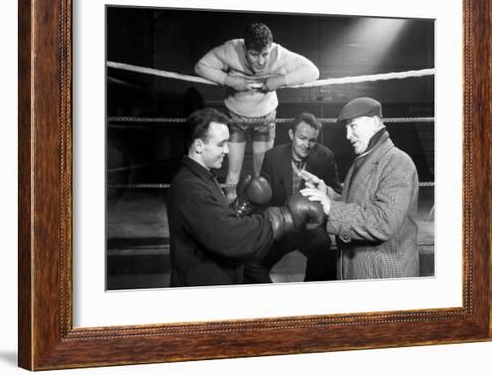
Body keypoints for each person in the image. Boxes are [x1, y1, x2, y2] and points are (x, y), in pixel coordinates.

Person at [166, 108, 325, 287]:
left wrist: (243, 203)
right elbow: (231, 237)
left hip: (216, 276)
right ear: (199, 146)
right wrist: (285, 216)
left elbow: (214, 224)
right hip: (203, 290)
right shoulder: (190, 188)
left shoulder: (203, 178)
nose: (227, 151)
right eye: (221, 144)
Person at [194, 23, 319, 202]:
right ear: (245, 49)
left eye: (264, 54)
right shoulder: (231, 49)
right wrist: (227, 80)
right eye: (254, 55)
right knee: (233, 172)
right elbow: (201, 66)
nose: (260, 62)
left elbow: (313, 71)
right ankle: (230, 213)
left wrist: (281, 80)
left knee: (262, 174)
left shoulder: (278, 54)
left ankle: (260, 215)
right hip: (236, 117)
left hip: (265, 118)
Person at [300, 97, 420, 280]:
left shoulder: (398, 162)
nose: (348, 135)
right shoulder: (364, 160)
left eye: (353, 126)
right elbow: (358, 204)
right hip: (361, 272)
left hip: (385, 279)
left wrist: (331, 208)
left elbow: (384, 222)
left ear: (373, 122)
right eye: (346, 128)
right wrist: (327, 194)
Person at [243, 112, 342, 283]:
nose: (307, 145)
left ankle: (310, 300)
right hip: (281, 225)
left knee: (323, 249)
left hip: (309, 227)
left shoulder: (325, 157)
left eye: (312, 140)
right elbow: (264, 197)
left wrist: (325, 191)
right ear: (291, 135)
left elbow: (337, 193)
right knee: (250, 261)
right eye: (302, 138)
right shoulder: (273, 157)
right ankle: (271, 304)